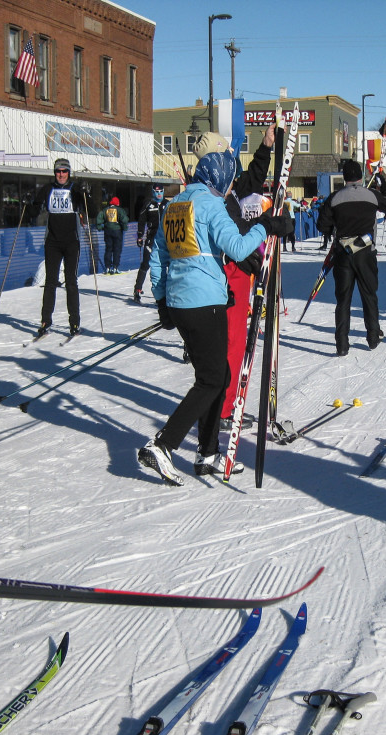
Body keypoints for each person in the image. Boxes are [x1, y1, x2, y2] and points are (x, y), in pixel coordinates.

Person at [138, 148, 291, 486]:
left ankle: (207, 452)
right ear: (221, 180)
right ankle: (163, 445)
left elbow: (160, 255)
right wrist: (265, 225)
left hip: (183, 300)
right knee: (211, 379)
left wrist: (162, 299)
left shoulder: (176, 204)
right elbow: (237, 248)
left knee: (217, 375)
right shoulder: (210, 204)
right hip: (202, 301)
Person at [194, 124, 274, 433]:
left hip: (235, 272)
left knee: (233, 343)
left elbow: (251, 180)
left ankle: (220, 406)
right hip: (226, 274)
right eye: (226, 155)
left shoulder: (222, 189)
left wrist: (266, 146)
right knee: (230, 344)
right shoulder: (211, 195)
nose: (230, 160)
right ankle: (222, 410)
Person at [316, 159, 386, 356]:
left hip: (343, 252)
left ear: (344, 178)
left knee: (343, 300)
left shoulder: (334, 198)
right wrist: (382, 181)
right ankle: (373, 336)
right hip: (366, 251)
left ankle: (342, 344)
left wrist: (335, 224)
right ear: (360, 176)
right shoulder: (371, 195)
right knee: (369, 295)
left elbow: (322, 226)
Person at [32, 158, 86, 339]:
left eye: (64, 171)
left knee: (71, 282)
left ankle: (75, 322)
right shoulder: (48, 189)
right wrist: (28, 203)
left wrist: (86, 194)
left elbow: (91, 210)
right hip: (52, 242)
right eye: (58, 171)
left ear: (69, 172)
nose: (61, 174)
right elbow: (33, 212)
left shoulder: (75, 189)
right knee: (50, 282)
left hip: (72, 242)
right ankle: (45, 321)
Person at [133, 184, 165, 303]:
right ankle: (137, 290)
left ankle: (167, 292)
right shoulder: (148, 205)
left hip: (165, 240)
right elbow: (141, 220)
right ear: (153, 193)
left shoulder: (167, 204)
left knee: (168, 265)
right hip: (152, 239)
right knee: (146, 264)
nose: (159, 194)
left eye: (161, 191)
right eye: (156, 192)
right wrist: (140, 236)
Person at [95, 196, 129, 274]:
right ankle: (115, 267)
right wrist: (124, 227)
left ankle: (107, 267)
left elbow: (99, 218)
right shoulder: (119, 210)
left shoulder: (105, 210)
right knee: (117, 250)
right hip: (117, 231)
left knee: (108, 249)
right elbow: (124, 219)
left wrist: (100, 227)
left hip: (107, 231)